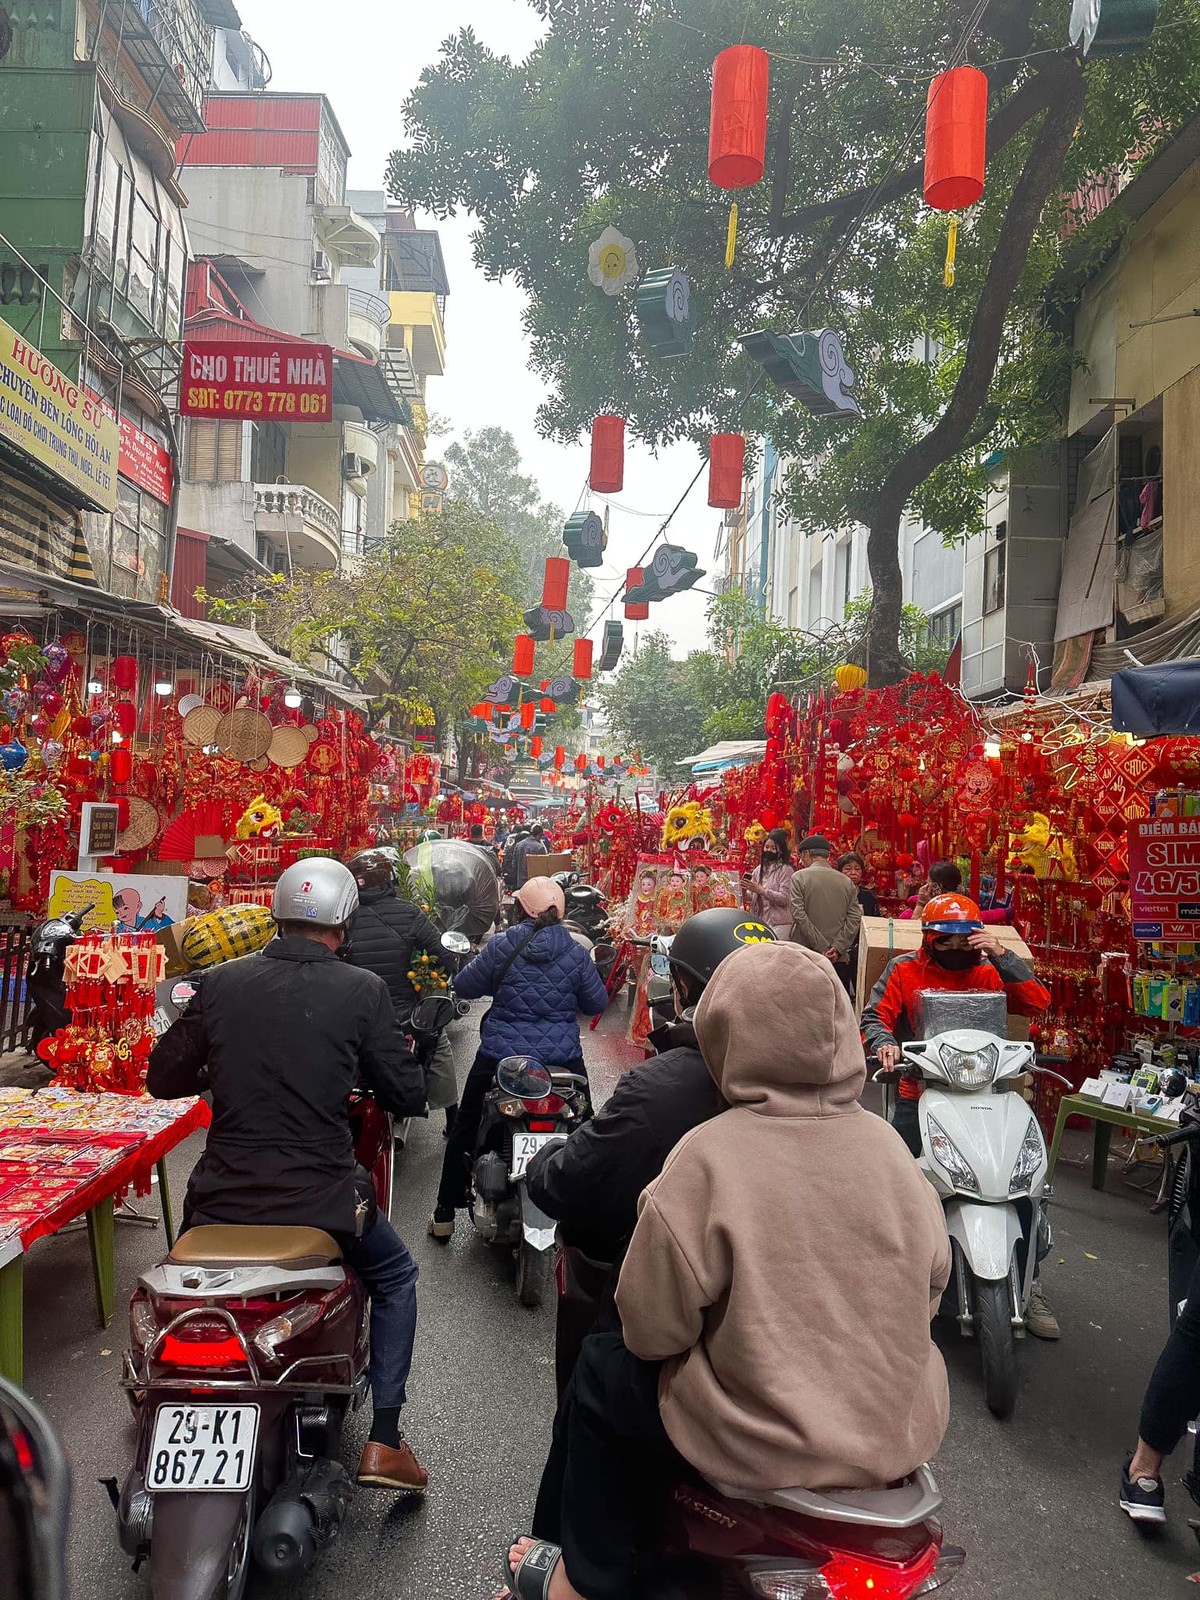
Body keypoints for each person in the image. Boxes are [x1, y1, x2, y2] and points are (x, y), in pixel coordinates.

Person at [504, 941, 951, 1600]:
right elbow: (931, 1288)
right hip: (897, 1433)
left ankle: (580, 1579)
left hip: (758, 1440)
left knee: (602, 1369)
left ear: (723, 1028)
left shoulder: (711, 1154)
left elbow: (651, 1328)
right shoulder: (891, 1149)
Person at [146, 858, 431, 1492]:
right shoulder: (363, 990)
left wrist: (220, 1069)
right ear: (344, 920)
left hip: (220, 1199)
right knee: (397, 1276)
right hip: (321, 1197)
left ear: (278, 914)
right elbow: (406, 1094)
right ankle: (384, 1440)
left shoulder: (218, 984)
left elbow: (162, 1076)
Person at [526, 908, 771, 1406]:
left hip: (664, 1323)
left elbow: (579, 1179)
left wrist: (544, 1161)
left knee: (587, 1419)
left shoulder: (665, 1086)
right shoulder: (840, 1102)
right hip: (779, 1336)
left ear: (687, 986)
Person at [861, 892, 1059, 1340]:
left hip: (989, 1093)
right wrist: (884, 1044)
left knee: (1023, 1184)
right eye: (943, 940)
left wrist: (1005, 956)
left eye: (962, 940)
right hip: (921, 1092)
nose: (953, 949)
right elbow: (876, 1016)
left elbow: (1038, 1003)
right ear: (928, 938)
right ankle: (894, 1280)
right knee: (897, 1186)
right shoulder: (904, 969)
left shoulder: (992, 969)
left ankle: (1031, 1282)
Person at [428, 876, 608, 1240]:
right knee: (588, 1125)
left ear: (520, 909)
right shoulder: (575, 952)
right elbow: (597, 1004)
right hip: (563, 1060)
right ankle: (594, 1220)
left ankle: (445, 1213)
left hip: (500, 1056)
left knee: (465, 1127)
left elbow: (464, 986)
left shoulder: (502, 945)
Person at [343, 847, 459, 1135]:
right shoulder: (409, 913)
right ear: (391, 879)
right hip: (404, 1016)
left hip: (355, 1016)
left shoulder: (345, 918)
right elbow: (443, 953)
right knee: (439, 1048)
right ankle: (453, 1119)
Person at [788, 834, 862, 964]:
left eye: (801, 857)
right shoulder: (846, 881)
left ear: (806, 854)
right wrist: (837, 947)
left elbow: (798, 915)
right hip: (837, 957)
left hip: (806, 955)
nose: (801, 861)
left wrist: (822, 947)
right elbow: (855, 918)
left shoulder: (799, 878)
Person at [742, 829, 794, 938]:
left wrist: (762, 891)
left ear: (781, 851)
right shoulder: (758, 870)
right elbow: (750, 897)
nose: (768, 850)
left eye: (773, 848)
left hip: (779, 926)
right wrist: (744, 889)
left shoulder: (786, 870)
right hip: (760, 923)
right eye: (766, 847)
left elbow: (785, 899)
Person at [839, 851, 879, 917]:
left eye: (857, 869)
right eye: (848, 869)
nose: (853, 873)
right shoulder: (833, 894)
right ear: (840, 872)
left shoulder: (869, 895)